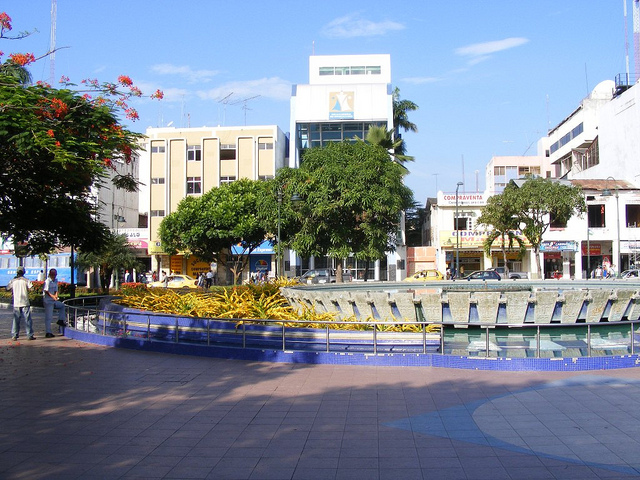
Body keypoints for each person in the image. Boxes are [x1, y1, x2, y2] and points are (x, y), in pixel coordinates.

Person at [7, 266, 35, 341]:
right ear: (24, 272)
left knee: (16, 320)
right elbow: (32, 288)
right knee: (27, 319)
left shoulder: (13, 281)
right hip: (25, 302)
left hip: (16, 303)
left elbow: (7, 288)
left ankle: (14, 335)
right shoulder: (26, 280)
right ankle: (29, 335)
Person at [43, 268, 66, 338]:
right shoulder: (47, 281)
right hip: (48, 301)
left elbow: (56, 290)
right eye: (52, 274)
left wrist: (56, 296)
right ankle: (48, 332)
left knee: (62, 306)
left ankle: (61, 320)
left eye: (55, 275)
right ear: (50, 274)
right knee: (49, 317)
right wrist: (53, 296)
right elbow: (46, 291)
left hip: (53, 300)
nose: (54, 276)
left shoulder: (55, 281)